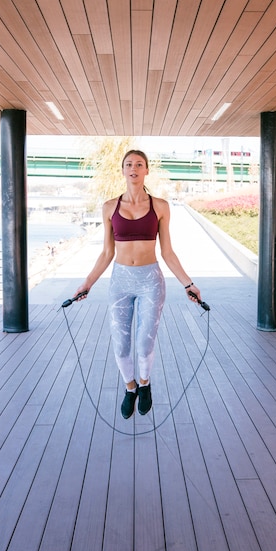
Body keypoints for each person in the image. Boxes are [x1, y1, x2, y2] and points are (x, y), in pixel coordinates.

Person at [73, 150, 201, 419]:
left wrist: (188, 283)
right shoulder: (109, 207)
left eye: (139, 164)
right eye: (129, 164)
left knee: (144, 343)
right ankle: (129, 388)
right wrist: (87, 284)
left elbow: (167, 252)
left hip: (150, 281)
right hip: (120, 281)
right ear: (122, 170)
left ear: (146, 171)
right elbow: (107, 253)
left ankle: (144, 384)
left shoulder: (161, 206)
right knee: (120, 344)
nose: (134, 168)